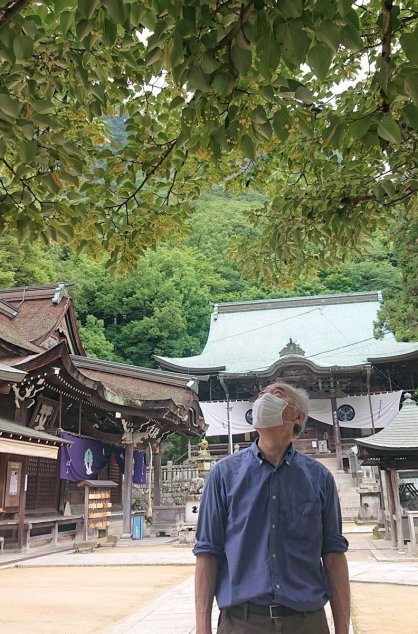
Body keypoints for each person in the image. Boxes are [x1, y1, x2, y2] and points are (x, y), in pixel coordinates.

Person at [194, 381, 350, 634]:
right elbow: (207, 553)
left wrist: (343, 629)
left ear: (299, 416)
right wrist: (203, 628)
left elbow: (333, 556)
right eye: (261, 395)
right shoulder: (224, 475)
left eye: (276, 395)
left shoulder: (319, 478)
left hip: (306, 622)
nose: (264, 400)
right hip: (242, 622)